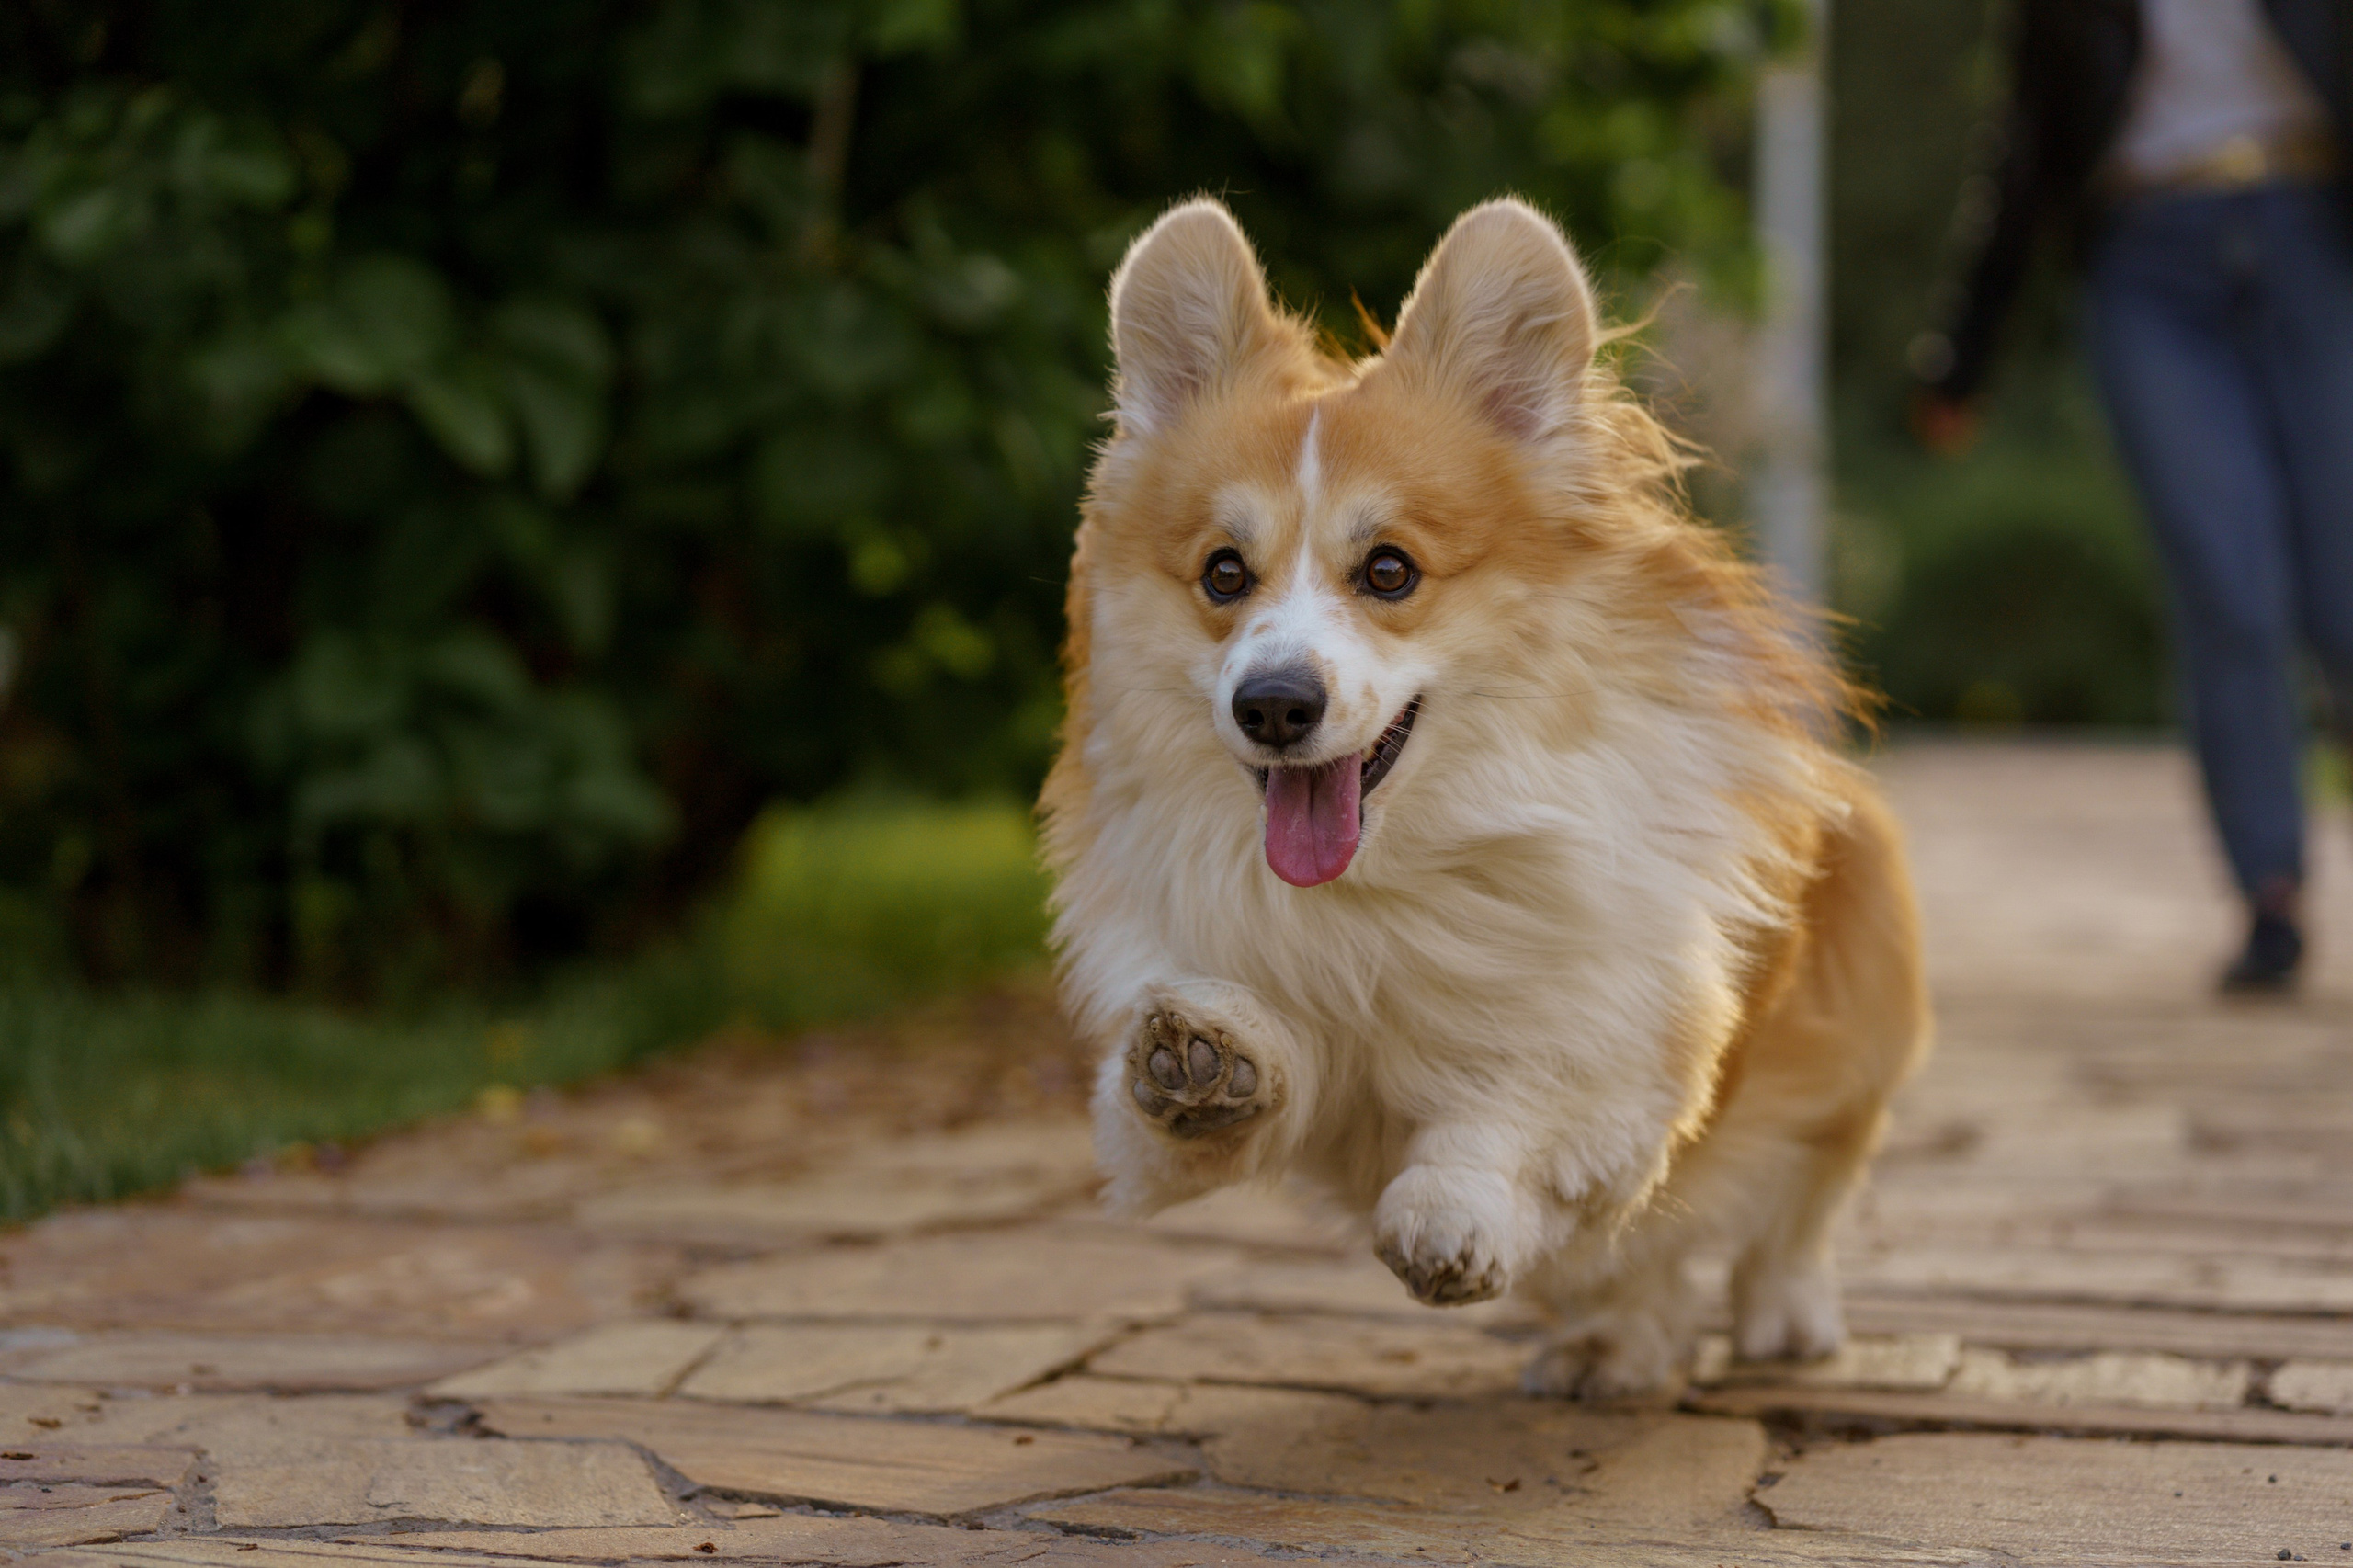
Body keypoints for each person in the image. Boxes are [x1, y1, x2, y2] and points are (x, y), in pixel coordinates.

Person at [1914, 0, 2353, 993]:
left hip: (2314, 238)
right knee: (2224, 576)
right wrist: (1963, 355)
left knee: (2341, 587)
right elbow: (2024, 142)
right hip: (2149, 260)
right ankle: (2269, 891)